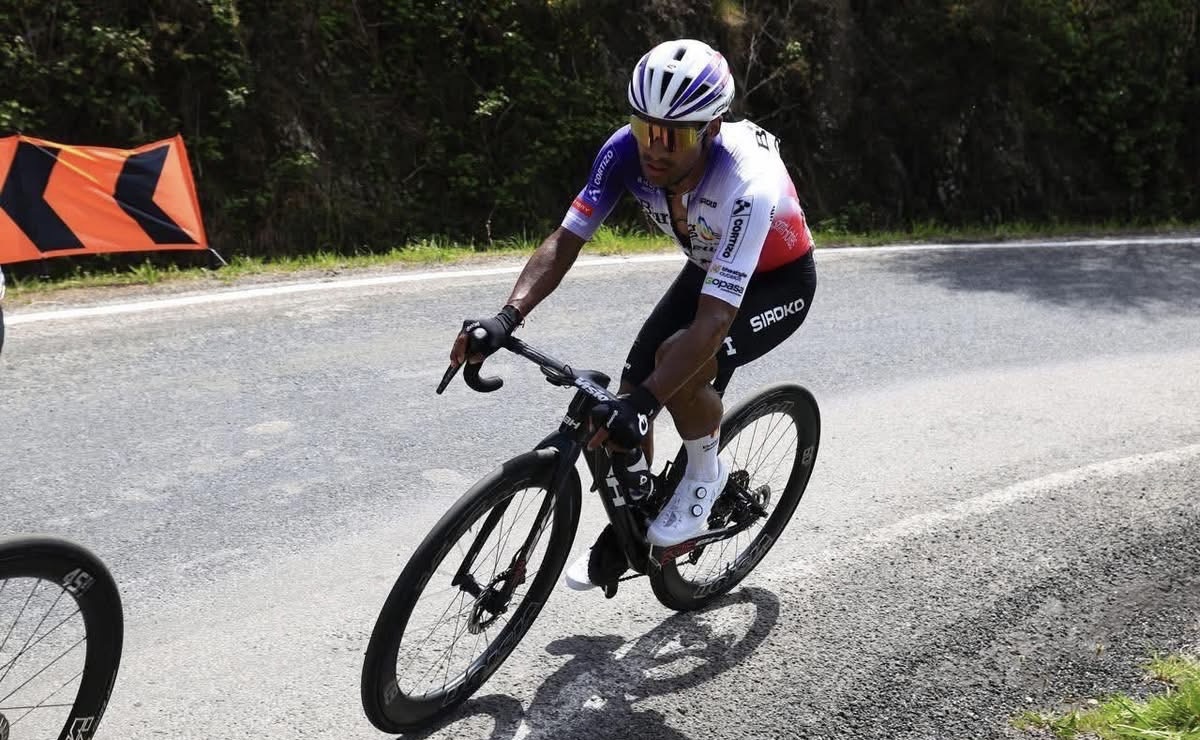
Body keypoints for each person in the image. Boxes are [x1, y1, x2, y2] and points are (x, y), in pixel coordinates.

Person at [449, 38, 817, 591]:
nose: (654, 147)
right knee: (625, 389)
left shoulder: (747, 185)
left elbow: (714, 323)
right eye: (646, 128)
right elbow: (566, 240)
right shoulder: (625, 152)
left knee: (675, 369)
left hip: (776, 281)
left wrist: (647, 405)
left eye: (672, 135)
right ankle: (638, 523)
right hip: (710, 264)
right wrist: (506, 318)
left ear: (711, 129)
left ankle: (703, 479)